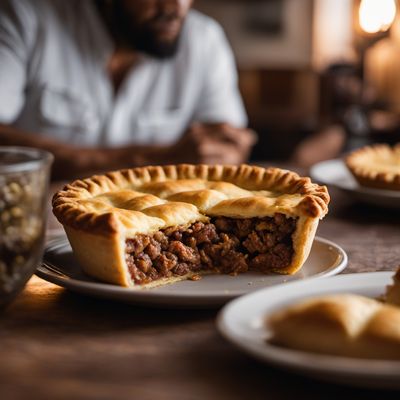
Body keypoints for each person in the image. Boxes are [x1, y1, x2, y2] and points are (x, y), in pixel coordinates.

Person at [0, 0, 256, 179]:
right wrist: (156, 160)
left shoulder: (205, 40)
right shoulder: (23, 16)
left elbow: (226, 143)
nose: (175, 7)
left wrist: (226, 151)